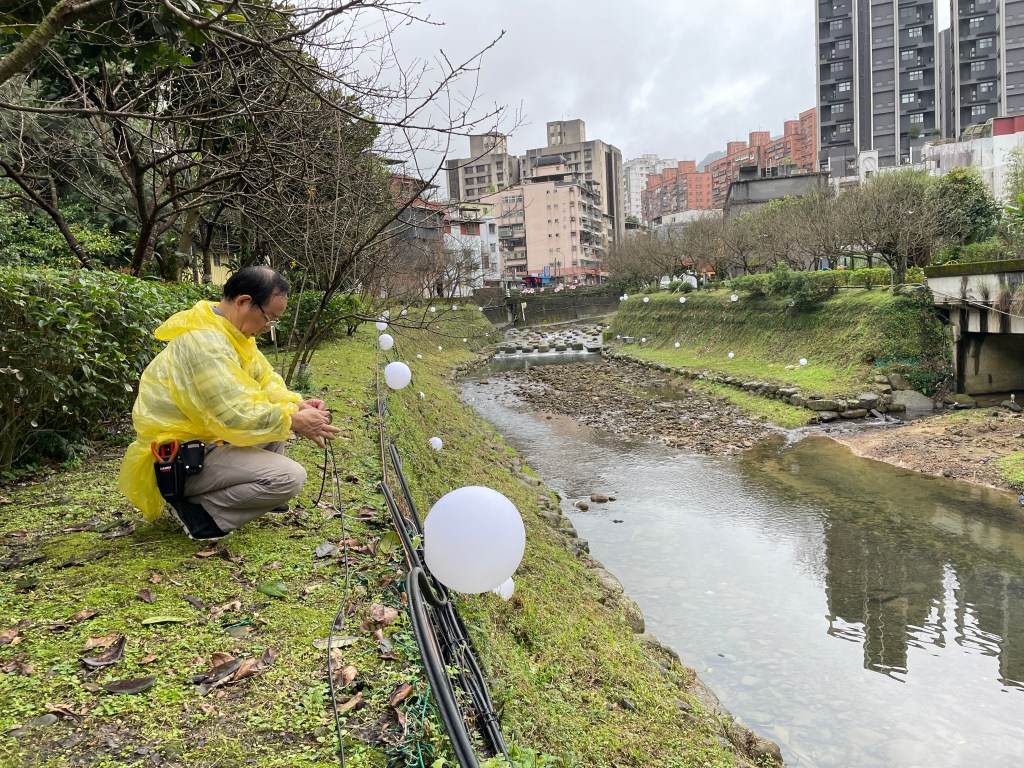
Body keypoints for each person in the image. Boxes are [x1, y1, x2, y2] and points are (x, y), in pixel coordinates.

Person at [118, 266, 340, 540]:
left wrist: (297, 404)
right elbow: (234, 415)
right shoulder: (204, 343)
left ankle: (253, 496)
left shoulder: (230, 332)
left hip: (208, 442)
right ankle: (199, 514)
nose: (268, 328)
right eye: (269, 318)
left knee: (276, 428)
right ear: (244, 302)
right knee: (289, 477)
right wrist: (293, 420)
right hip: (180, 458)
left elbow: (265, 380)